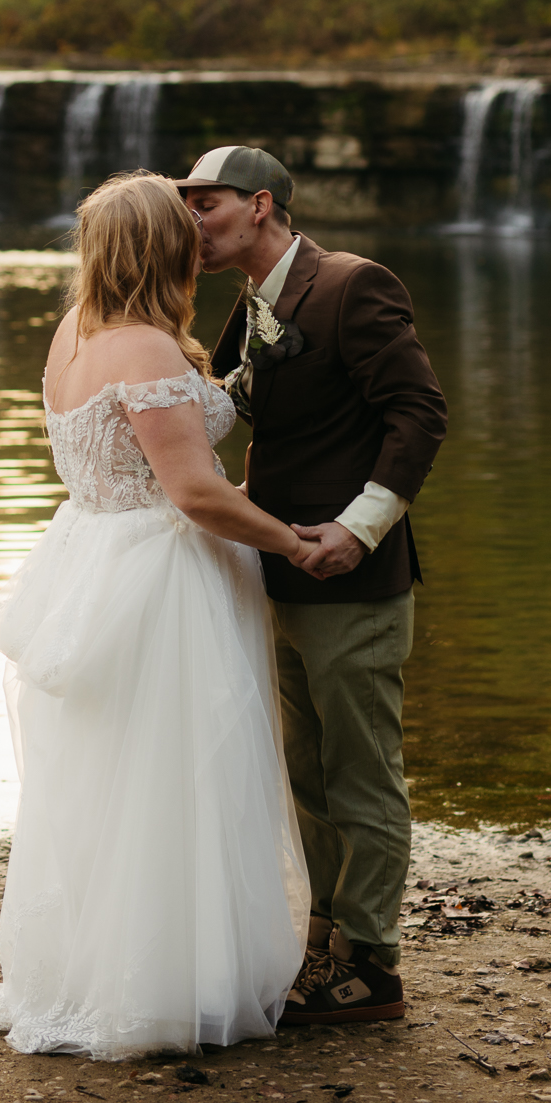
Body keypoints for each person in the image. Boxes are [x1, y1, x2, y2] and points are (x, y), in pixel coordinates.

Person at [0, 171, 313, 1059]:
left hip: (91, 557)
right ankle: (165, 986)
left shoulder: (73, 333)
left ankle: (88, 971)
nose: (199, 243)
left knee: (104, 778)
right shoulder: (146, 349)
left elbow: (138, 469)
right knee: (177, 776)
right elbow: (196, 495)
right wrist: (293, 540)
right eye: (184, 231)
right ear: (160, 249)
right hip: (159, 578)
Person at [178, 146, 449, 1025]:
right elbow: (236, 407)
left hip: (354, 576)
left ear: (259, 205)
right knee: (307, 775)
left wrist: (360, 525)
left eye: (204, 204)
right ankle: (326, 941)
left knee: (362, 774)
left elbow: (418, 413)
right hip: (278, 569)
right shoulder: (250, 303)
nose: (191, 222)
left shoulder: (352, 284)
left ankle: (373, 967)